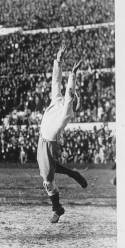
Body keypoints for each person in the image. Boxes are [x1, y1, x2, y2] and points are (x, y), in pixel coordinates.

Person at [37, 43, 88, 224]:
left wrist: (73, 75)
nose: (70, 97)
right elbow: (56, 81)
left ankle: (57, 209)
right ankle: (72, 174)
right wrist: (58, 61)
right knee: (49, 171)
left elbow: (68, 92)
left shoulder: (66, 112)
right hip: (42, 139)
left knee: (47, 180)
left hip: (49, 142)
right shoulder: (56, 99)